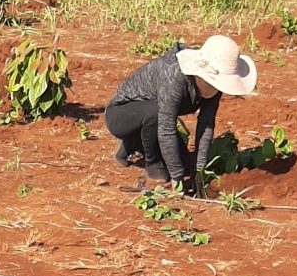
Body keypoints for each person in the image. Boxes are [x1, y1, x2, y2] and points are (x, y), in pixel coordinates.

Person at [105, 36, 258, 192]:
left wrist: (200, 170)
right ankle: (151, 161)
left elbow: (206, 124)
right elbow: (166, 129)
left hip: (154, 119)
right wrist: (176, 178)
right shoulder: (173, 75)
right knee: (156, 118)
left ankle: (133, 141)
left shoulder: (215, 86)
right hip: (121, 114)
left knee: (185, 166)